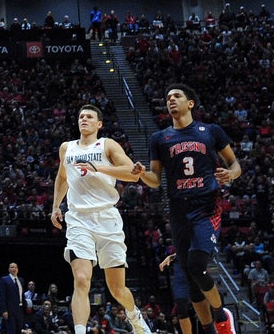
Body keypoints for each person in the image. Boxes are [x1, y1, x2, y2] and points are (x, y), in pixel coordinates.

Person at [140, 84, 242, 334]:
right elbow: (155, 180)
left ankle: (221, 314)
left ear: (190, 103)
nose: (171, 100)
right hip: (177, 210)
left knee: (197, 264)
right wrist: (142, 174)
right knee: (192, 279)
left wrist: (231, 175)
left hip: (207, 205)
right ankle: (208, 330)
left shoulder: (210, 131)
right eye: (168, 98)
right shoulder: (159, 138)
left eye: (177, 96)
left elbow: (234, 163)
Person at [51, 104, 153, 334]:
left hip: (107, 218)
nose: (83, 119)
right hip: (78, 219)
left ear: (99, 124)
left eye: (89, 117)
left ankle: (134, 315)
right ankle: (79, 331)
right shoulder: (66, 148)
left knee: (117, 289)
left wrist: (98, 168)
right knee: (81, 279)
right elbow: (62, 176)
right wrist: (56, 206)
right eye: (81, 116)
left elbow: (131, 173)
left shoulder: (107, 144)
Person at [0, 262, 25, 334]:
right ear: (9, 269)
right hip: (10, 310)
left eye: (16, 267)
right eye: (12, 267)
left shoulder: (21, 280)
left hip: (19, 309)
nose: (14, 269)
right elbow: (2, 296)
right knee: (11, 330)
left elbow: (21, 295)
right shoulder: (4, 279)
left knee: (19, 330)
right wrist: (4, 310)